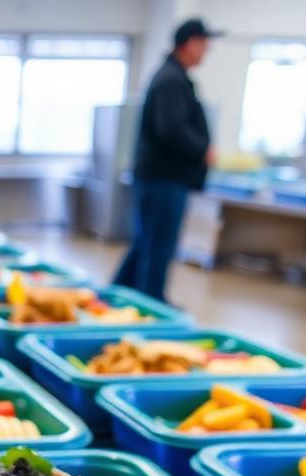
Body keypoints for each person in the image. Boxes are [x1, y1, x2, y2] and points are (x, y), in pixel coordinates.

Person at [113, 18, 219, 303]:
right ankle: (150, 306)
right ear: (190, 44)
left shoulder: (173, 77)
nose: (205, 53)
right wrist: (202, 150)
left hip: (159, 177)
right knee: (158, 246)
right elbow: (170, 128)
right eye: (204, 47)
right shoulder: (171, 79)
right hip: (164, 178)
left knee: (145, 243)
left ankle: (118, 297)